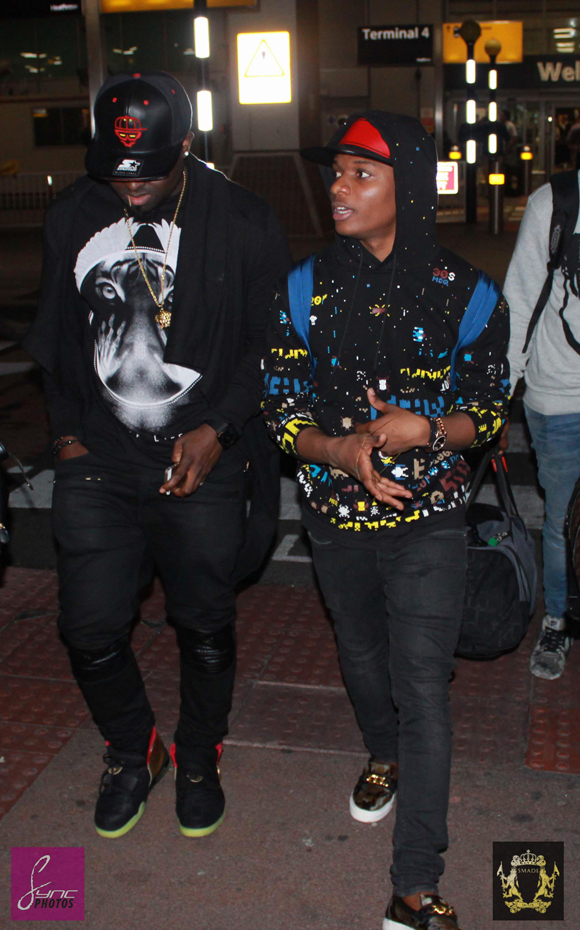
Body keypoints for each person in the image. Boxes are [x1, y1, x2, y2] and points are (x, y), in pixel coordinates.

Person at [23, 72, 290, 839]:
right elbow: (58, 336)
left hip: (199, 464)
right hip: (98, 462)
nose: (131, 188)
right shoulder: (75, 214)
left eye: (148, 173)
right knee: (88, 627)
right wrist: (67, 437)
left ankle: (200, 752)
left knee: (202, 624)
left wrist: (220, 430)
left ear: (188, 146)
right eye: (117, 173)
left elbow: (270, 347)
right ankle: (132, 746)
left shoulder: (242, 220)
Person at [263, 112, 509, 930]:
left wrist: (427, 430)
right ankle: (384, 752)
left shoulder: (468, 293)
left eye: (360, 173)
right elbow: (281, 407)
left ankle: (413, 885)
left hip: (431, 517)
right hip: (334, 517)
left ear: (409, 187)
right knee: (362, 654)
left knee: (423, 685)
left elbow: (488, 409)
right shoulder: (301, 288)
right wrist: (337, 451)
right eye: (336, 171)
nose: (339, 187)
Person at [503, 170, 579, 679]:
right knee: (561, 521)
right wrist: (498, 397)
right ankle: (558, 618)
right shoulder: (557, 203)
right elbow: (520, 301)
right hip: (559, 396)